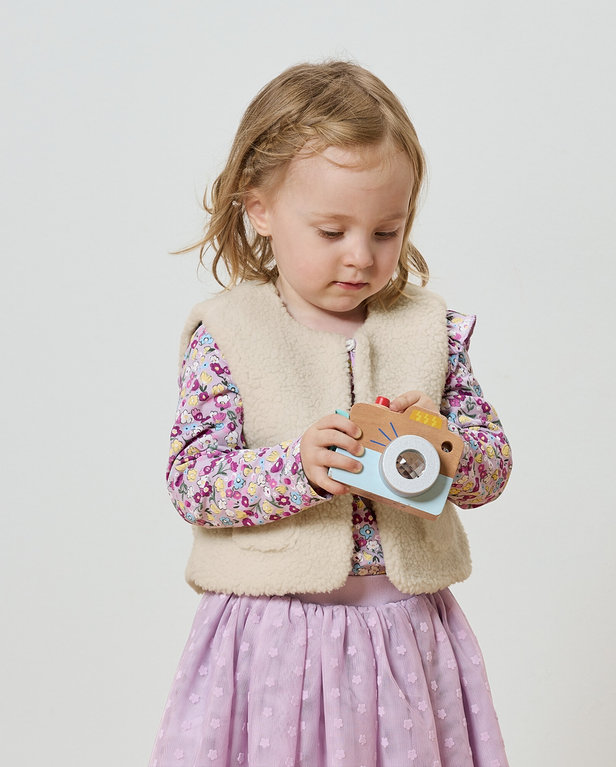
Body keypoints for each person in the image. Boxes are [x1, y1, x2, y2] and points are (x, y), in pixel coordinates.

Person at [149, 61, 512, 767]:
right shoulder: (228, 335)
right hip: (270, 636)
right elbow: (192, 480)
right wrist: (300, 466)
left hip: (405, 633)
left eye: (386, 231)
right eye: (331, 230)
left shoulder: (430, 331)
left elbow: (494, 462)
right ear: (259, 209)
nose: (361, 256)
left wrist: (445, 448)